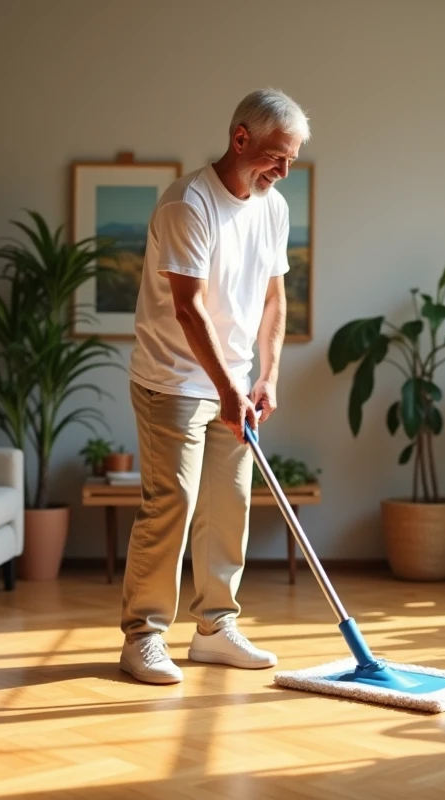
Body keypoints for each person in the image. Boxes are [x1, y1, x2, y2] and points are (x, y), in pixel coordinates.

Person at [119, 88, 309, 685]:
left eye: (292, 161)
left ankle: (214, 629)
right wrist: (227, 388)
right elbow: (188, 308)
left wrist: (267, 375)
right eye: (276, 157)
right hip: (172, 381)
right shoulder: (188, 203)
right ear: (240, 138)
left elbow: (274, 298)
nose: (283, 172)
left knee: (228, 507)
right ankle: (143, 636)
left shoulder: (273, 207)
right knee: (171, 502)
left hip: (236, 384)